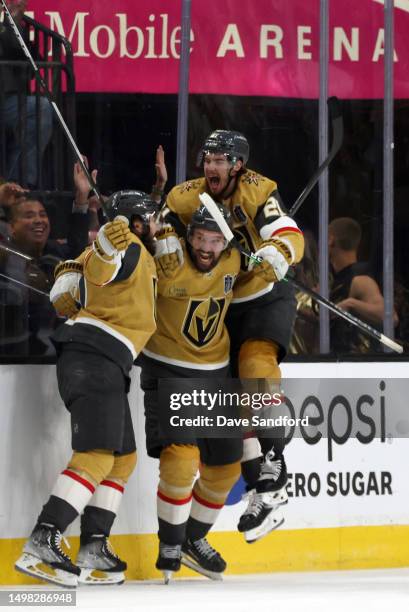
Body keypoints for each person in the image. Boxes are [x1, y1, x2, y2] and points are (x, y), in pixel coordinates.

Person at [163, 130, 304, 543]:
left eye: (221, 160)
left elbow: (287, 230)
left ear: (238, 165)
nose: (211, 166)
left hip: (264, 296)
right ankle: (264, 492)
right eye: (208, 158)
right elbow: (162, 227)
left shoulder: (260, 190)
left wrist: (281, 251)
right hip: (221, 304)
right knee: (233, 409)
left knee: (256, 366)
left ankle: (274, 464)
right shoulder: (185, 196)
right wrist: (167, 244)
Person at [14, 190, 158, 587]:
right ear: (138, 223)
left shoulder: (114, 252)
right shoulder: (126, 247)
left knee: (123, 457)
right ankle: (46, 535)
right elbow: (104, 267)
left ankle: (94, 544)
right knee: (95, 455)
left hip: (104, 360)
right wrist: (110, 245)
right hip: (95, 357)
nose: (161, 226)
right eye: (154, 218)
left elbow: (67, 294)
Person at [139, 202, 243, 581]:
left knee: (228, 466)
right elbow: (150, 222)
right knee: (182, 460)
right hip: (169, 369)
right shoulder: (166, 260)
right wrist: (156, 234)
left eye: (215, 240)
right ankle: (169, 541)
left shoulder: (234, 263)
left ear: (226, 244)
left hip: (216, 373)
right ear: (188, 237)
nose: (206, 247)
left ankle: (191, 539)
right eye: (199, 237)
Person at [0, 191, 90, 354]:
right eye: (29, 216)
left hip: (51, 349)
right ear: (11, 227)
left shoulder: (54, 251)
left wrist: (81, 198)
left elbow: (78, 248)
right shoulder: (4, 255)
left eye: (43, 215)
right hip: (9, 352)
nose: (38, 220)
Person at [0, 0, 53, 188]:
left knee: (42, 109)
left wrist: (12, 22)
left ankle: (16, 186)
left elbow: (33, 65)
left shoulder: (12, 27)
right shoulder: (6, 26)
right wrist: (10, 21)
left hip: (8, 100)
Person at [328, 217, 395, 353]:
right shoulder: (338, 280)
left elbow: (391, 317)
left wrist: (351, 303)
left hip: (358, 366)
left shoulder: (360, 280)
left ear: (330, 240)